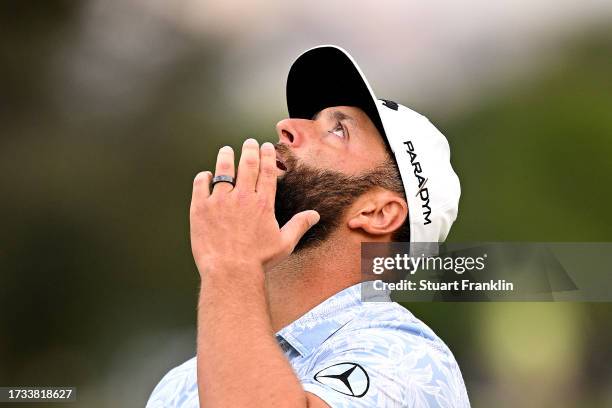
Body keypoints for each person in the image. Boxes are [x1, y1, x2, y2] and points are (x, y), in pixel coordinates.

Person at [146, 45, 470, 407]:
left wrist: (230, 265)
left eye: (338, 131)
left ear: (379, 213)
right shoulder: (181, 384)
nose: (285, 126)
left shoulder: (408, 359)